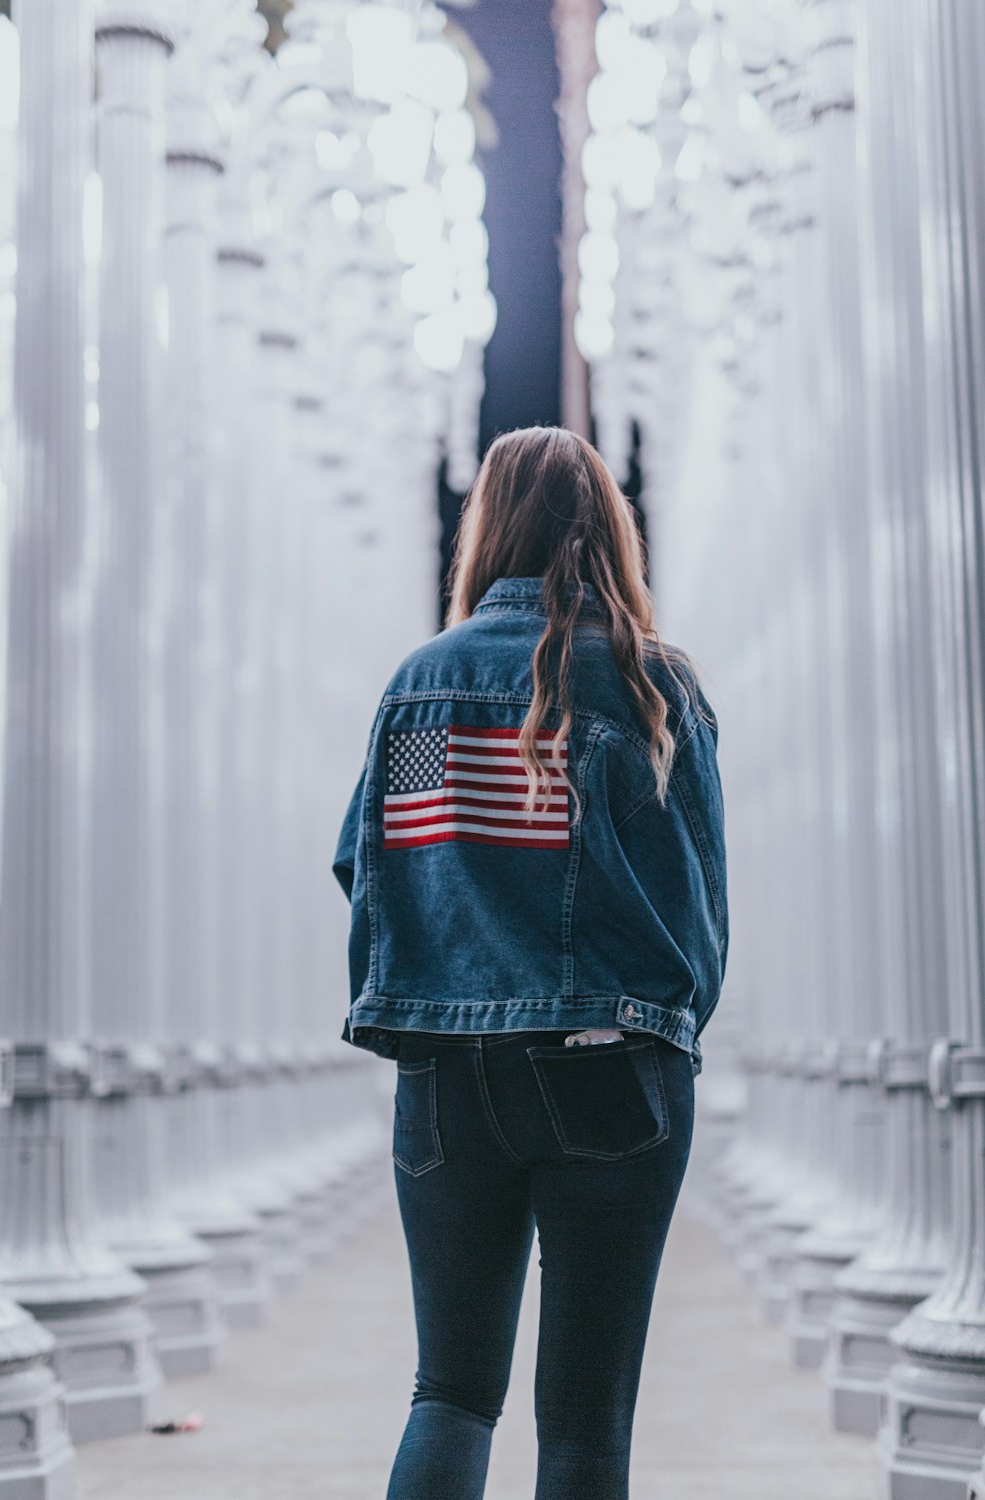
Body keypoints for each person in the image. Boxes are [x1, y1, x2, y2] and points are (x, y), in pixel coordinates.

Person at [332, 425, 728, 1500]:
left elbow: (363, 863)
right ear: (607, 531)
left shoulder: (423, 683)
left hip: (447, 1075)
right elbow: (700, 901)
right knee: (587, 1422)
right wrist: (668, 1025)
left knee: (450, 1391)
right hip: (615, 1065)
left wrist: (439, 973)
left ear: (488, 530)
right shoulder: (651, 685)